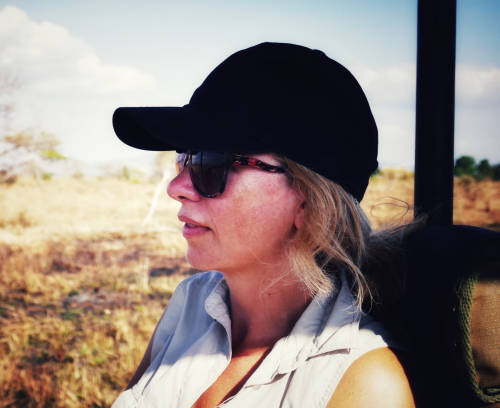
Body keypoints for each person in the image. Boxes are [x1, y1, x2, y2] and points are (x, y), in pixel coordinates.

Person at [111, 42, 415, 407]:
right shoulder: (191, 302)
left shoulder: (362, 385)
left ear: (309, 201)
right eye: (184, 158)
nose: (177, 187)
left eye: (211, 164)